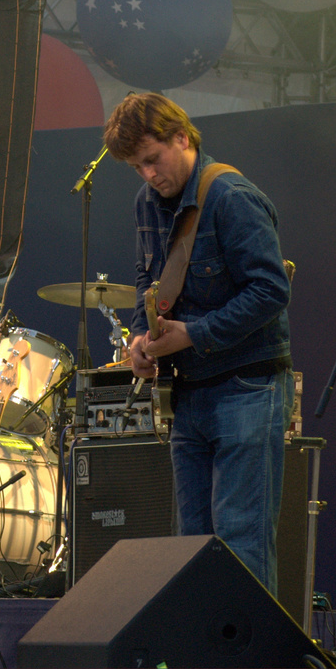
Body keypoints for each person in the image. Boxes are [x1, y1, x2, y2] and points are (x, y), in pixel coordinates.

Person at [104, 92, 292, 594]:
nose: (148, 175)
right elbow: (146, 282)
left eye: (152, 159)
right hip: (188, 394)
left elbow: (273, 289)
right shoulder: (146, 203)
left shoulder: (232, 197)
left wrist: (197, 334)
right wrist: (139, 340)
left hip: (247, 388)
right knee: (194, 550)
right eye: (136, 167)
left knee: (241, 549)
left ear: (182, 138)